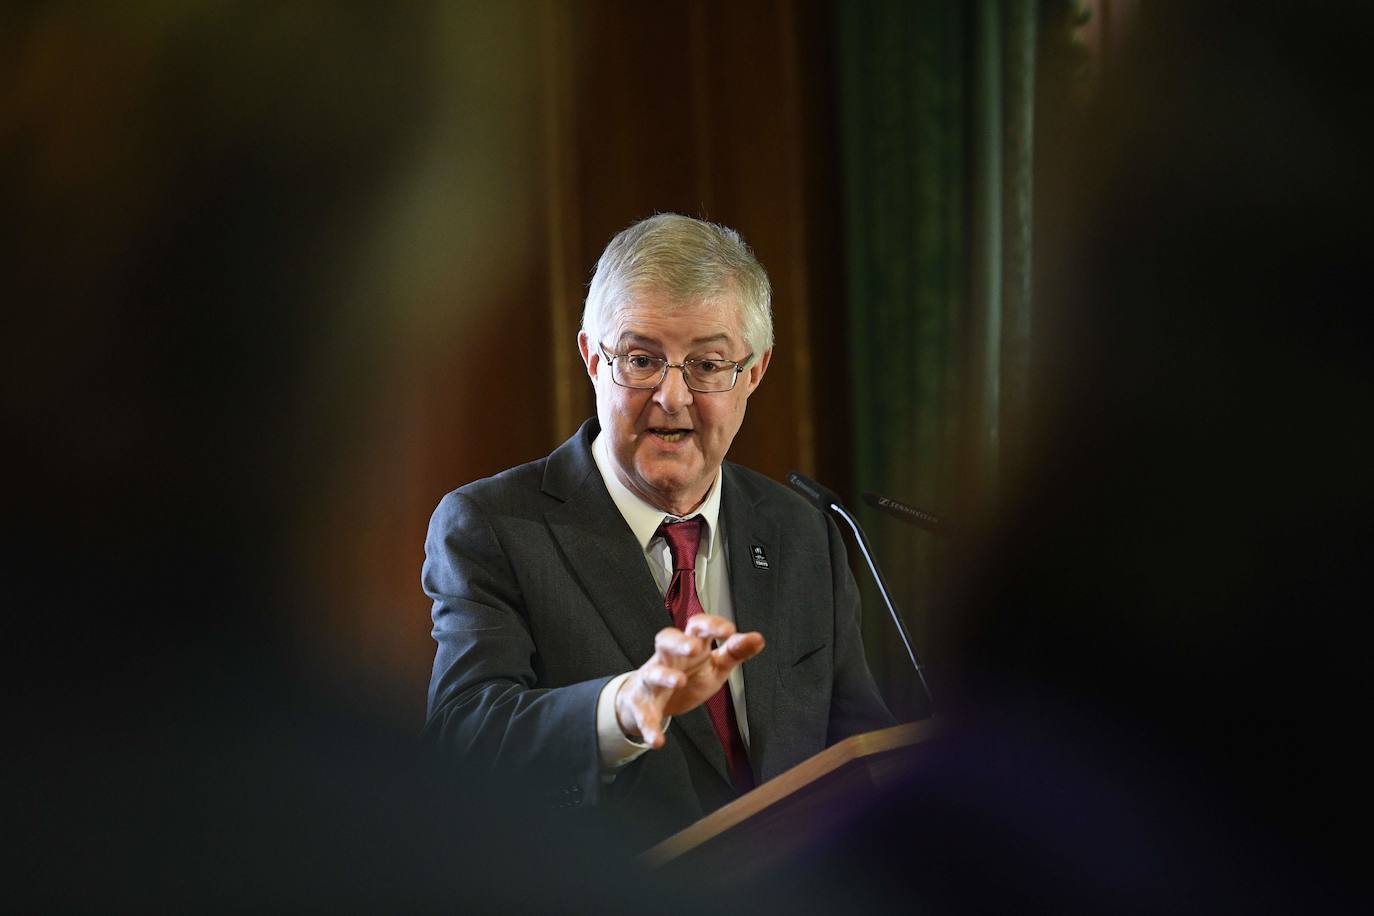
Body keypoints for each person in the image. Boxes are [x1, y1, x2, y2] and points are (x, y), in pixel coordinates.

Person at [423, 213, 894, 845]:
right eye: (642, 359)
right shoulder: (493, 526)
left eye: (706, 364)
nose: (672, 397)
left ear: (752, 373)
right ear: (593, 359)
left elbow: (856, 754)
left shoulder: (803, 532)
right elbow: (464, 737)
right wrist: (625, 707)